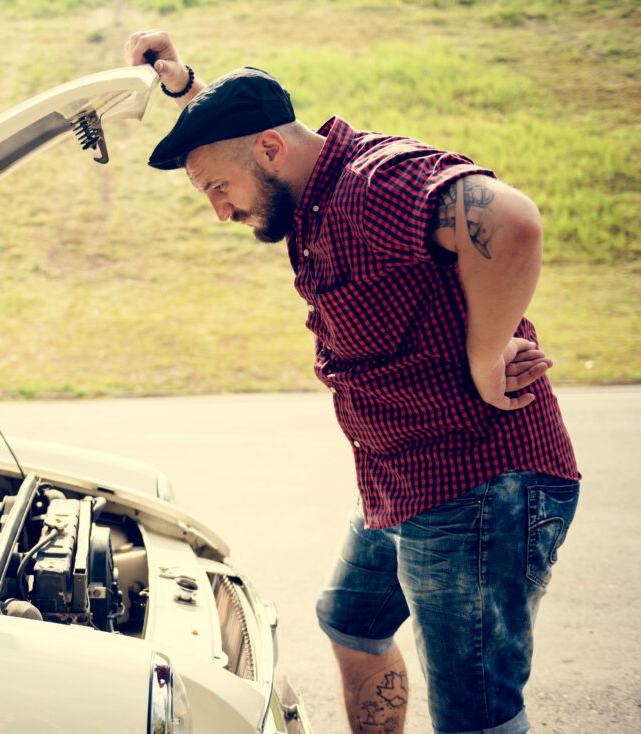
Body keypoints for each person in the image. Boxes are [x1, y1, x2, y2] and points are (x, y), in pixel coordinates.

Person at [125, 30, 580, 734]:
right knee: (351, 618)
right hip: (403, 478)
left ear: (271, 150)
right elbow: (241, 124)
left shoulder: (371, 187)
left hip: (479, 486)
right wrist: (186, 89)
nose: (218, 210)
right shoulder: (306, 189)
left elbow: (511, 222)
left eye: (217, 187)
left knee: (476, 715)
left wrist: (488, 356)